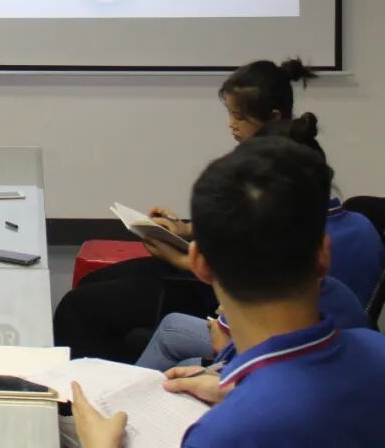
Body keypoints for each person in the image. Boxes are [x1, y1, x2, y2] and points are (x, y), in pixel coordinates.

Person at [72, 137, 385, 448]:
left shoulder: (223, 434)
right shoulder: (376, 349)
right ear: (324, 254)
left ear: (199, 264)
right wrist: (238, 388)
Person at [53, 58, 317, 362]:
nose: (231, 124)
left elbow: (255, 267)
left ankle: (93, 386)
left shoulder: (282, 177)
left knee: (77, 308)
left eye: (239, 116)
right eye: (230, 113)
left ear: (273, 117)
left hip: (211, 289)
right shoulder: (257, 160)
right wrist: (184, 229)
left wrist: (180, 259)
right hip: (200, 268)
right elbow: (234, 225)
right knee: (91, 284)